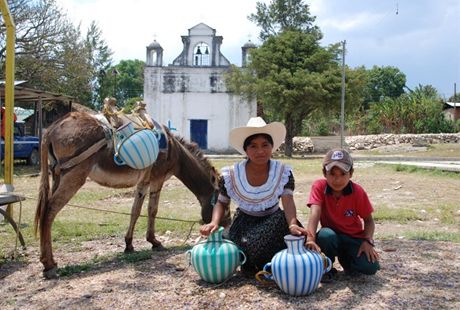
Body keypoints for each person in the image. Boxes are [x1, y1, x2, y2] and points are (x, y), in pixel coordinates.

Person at [200, 117, 307, 274]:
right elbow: (221, 202)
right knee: (222, 242)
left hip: (273, 220)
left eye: (265, 145)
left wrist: (292, 224)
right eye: (253, 146)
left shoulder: (282, 173)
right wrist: (214, 222)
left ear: (272, 147)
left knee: (277, 232)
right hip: (244, 221)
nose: (260, 151)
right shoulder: (231, 174)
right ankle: (259, 261)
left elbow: (288, 201)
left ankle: (258, 262)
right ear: (246, 150)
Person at [305, 148, 380, 280]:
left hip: (353, 238)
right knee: (325, 235)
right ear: (324, 173)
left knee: (370, 267)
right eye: (332, 174)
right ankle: (326, 268)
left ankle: (348, 262)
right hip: (331, 237)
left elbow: (369, 221)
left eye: (343, 174)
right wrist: (310, 238)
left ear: (351, 173)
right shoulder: (319, 187)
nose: (337, 179)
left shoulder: (358, 192)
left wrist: (368, 241)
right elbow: (315, 213)